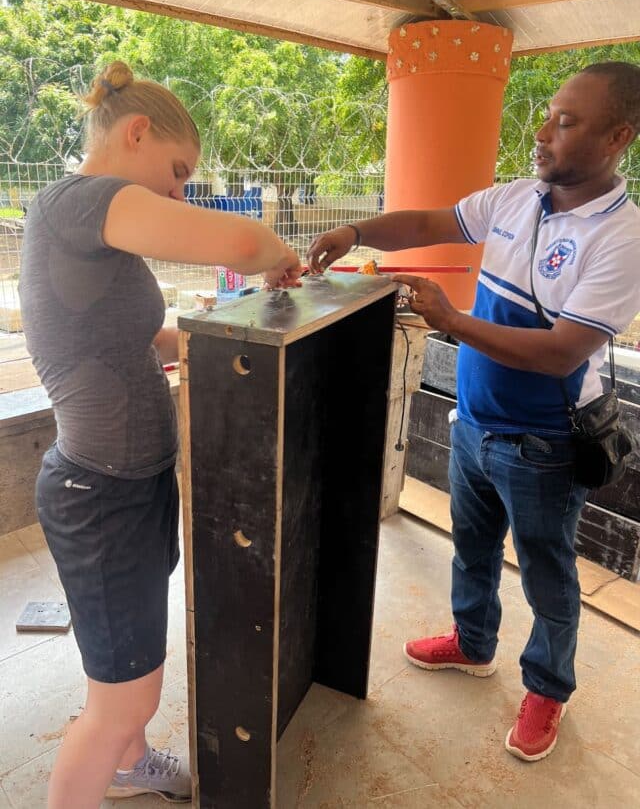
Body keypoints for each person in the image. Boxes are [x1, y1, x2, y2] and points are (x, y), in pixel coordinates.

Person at [307, 61, 640, 763]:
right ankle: (473, 640)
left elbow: (561, 351)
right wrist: (357, 232)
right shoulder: (519, 198)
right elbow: (433, 220)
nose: (543, 132)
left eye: (567, 121)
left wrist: (452, 320)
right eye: (547, 114)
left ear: (618, 137)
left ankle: (547, 685)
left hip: (544, 443)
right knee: (474, 546)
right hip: (475, 421)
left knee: (548, 572)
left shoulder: (622, 237)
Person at [19, 60, 302, 808]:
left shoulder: (92, 226)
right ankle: (105, 760)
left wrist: (210, 335)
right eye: (177, 172)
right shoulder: (80, 202)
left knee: (126, 660)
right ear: (134, 131)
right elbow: (240, 245)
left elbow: (133, 342)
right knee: (124, 699)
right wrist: (277, 253)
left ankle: (128, 763)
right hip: (101, 493)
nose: (179, 192)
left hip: (127, 483)